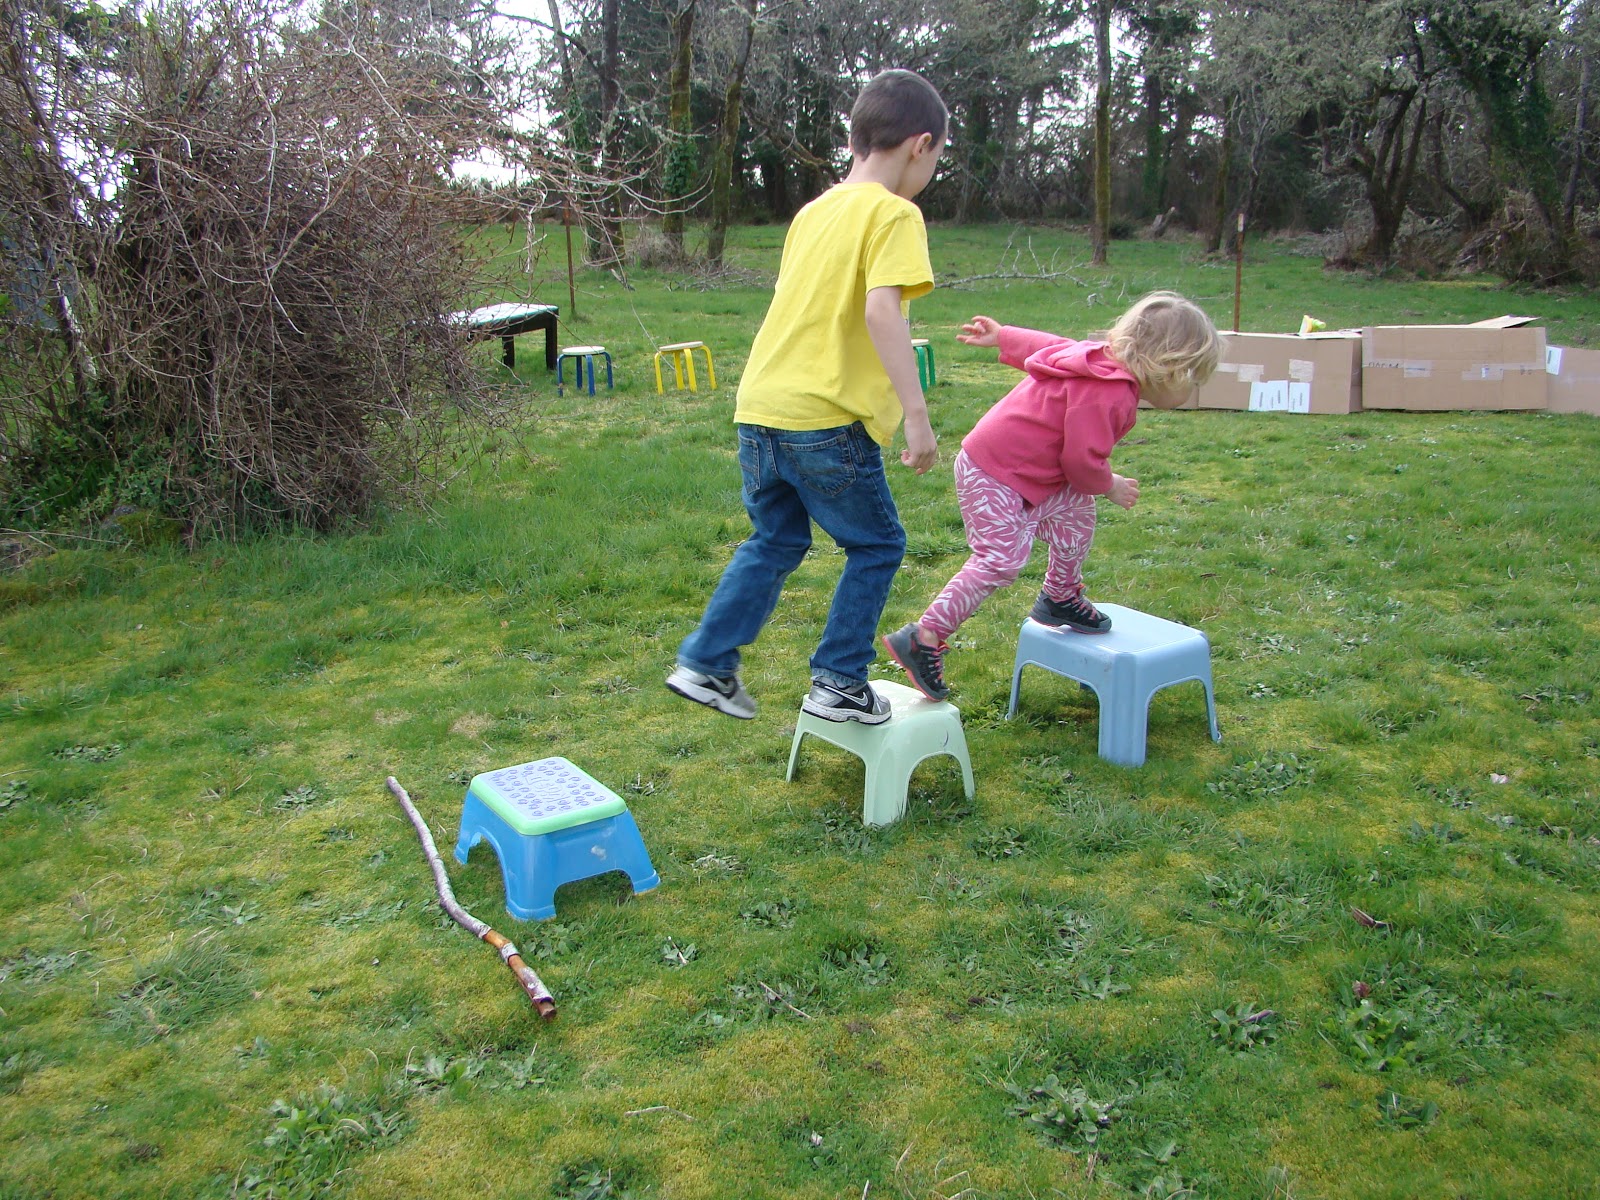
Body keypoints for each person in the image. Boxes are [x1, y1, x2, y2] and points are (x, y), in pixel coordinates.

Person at [666, 69, 948, 724]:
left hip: (760, 409)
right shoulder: (895, 213)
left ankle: (706, 662)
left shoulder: (814, 212)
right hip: (826, 419)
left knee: (775, 540)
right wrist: (917, 417)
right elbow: (883, 313)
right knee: (878, 545)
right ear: (920, 145)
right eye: (935, 160)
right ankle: (839, 682)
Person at [881, 291, 1221, 701]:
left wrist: (1004, 336)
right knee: (1000, 559)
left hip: (1027, 471)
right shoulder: (1111, 394)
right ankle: (923, 636)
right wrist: (1110, 484)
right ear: (1168, 367)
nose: (1192, 389)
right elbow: (1080, 462)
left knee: (1076, 514)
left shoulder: (1097, 358)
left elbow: (1052, 347)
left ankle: (1060, 597)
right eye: (1193, 377)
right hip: (994, 472)